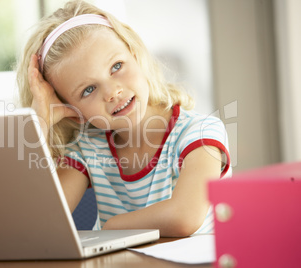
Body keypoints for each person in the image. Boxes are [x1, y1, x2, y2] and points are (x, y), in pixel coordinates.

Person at [16, 0, 231, 237]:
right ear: (74, 111)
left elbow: (184, 217)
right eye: (88, 90)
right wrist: (39, 123)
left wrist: (110, 226)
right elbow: (41, 219)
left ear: (136, 55)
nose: (112, 92)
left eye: (116, 66)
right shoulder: (89, 147)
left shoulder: (200, 133)